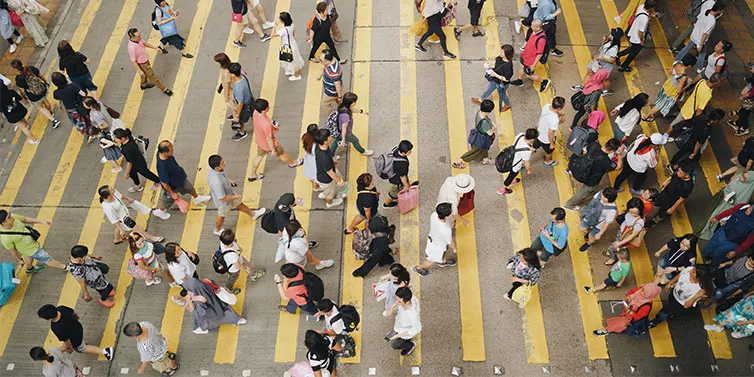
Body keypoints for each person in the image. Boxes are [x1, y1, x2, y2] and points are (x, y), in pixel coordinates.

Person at [207, 154, 266, 236]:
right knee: (222, 215)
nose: (225, 163)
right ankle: (217, 229)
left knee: (239, 204)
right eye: (222, 163)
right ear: (217, 168)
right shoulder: (216, 182)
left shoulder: (214, 169)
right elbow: (222, 198)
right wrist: (236, 196)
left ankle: (253, 214)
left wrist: (229, 181)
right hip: (224, 202)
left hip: (229, 194)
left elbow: (222, 176)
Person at [154, 140, 212, 219]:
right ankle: (160, 211)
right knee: (167, 201)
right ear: (164, 153)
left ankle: (197, 198)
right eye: (171, 150)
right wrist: (172, 193)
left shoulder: (162, 153)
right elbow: (164, 182)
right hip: (172, 186)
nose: (173, 151)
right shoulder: (162, 166)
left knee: (189, 188)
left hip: (179, 178)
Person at [564, 139, 623, 211]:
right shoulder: (606, 161)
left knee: (589, 190)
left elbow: (585, 151)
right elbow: (618, 167)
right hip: (590, 180)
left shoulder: (594, 145)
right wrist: (619, 154)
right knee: (584, 192)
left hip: (578, 168)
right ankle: (569, 204)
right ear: (612, 151)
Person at [37, 304, 114, 360]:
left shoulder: (56, 327)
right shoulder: (61, 308)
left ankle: (105, 351)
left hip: (74, 338)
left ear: (49, 318)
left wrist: (69, 348)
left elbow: (66, 340)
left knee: (82, 348)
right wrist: (76, 317)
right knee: (81, 343)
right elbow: (72, 312)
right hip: (78, 328)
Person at [249, 98, 303, 176]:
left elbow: (265, 121)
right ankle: (292, 163)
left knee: (259, 157)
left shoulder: (256, 113)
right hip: (270, 144)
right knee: (281, 154)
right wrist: (273, 150)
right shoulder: (266, 125)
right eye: (268, 107)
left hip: (260, 141)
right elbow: (269, 139)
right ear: (264, 110)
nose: (269, 107)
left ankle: (252, 174)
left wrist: (272, 126)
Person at [0, 210, 65, 274]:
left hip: (30, 245)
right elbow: (13, 250)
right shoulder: (5, 238)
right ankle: (66, 267)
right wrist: (19, 260)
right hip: (32, 250)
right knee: (48, 259)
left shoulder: (13, 218)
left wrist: (42, 222)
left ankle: (30, 269)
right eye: (9, 217)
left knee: (28, 255)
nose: (12, 217)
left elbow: (25, 219)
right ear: (3, 223)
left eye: (10, 215)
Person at [592, 283, 662, 336]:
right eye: (643, 289)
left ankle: (607, 330)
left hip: (631, 316)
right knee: (621, 319)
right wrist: (628, 297)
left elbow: (638, 316)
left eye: (644, 292)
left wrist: (630, 311)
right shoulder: (641, 289)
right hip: (628, 310)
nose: (641, 292)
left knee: (621, 322)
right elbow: (631, 292)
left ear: (649, 295)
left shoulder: (646, 306)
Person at [674, 2, 724, 73]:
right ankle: (699, 67)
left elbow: (697, 20)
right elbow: (705, 34)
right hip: (700, 40)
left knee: (686, 48)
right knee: (702, 54)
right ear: (718, 10)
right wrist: (701, 44)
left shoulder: (705, 12)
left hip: (694, 35)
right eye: (721, 10)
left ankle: (677, 59)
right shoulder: (712, 21)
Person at [643, 55, 696, 122]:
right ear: (689, 66)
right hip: (671, 91)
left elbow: (670, 71)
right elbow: (678, 91)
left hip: (668, 84)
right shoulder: (683, 77)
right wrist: (687, 86)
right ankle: (647, 116)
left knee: (661, 100)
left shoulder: (677, 63)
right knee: (660, 105)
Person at [572, 28, 623, 95]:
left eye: (611, 34)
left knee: (604, 80)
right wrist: (605, 40)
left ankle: (609, 90)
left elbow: (612, 60)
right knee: (590, 73)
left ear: (614, 37)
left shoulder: (614, 48)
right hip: (598, 62)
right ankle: (583, 86)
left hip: (604, 67)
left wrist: (601, 58)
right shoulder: (610, 42)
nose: (610, 34)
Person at [10, 59, 59, 128]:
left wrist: (25, 98)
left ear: (15, 69)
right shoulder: (30, 68)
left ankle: (54, 120)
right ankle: (50, 112)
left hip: (33, 95)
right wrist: (45, 83)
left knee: (40, 107)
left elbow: (23, 90)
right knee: (45, 100)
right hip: (42, 88)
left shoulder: (19, 79)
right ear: (22, 63)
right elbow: (41, 76)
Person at [412, 203, 457, 276]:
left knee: (438, 256)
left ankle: (442, 261)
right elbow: (450, 242)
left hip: (432, 240)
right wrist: (455, 249)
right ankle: (418, 268)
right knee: (431, 260)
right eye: (451, 211)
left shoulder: (434, 215)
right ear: (446, 215)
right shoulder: (446, 230)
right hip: (438, 248)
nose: (452, 211)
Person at [127, 28, 173, 96]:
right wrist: (140, 71)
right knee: (152, 77)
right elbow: (133, 61)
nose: (140, 37)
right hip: (143, 64)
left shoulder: (138, 40)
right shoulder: (132, 47)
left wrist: (155, 48)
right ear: (133, 37)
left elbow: (144, 43)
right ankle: (164, 89)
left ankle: (144, 85)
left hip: (145, 61)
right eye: (138, 36)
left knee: (144, 75)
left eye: (140, 35)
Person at [645, 164, 695, 228]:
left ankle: (655, 221)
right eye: (678, 170)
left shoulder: (687, 186)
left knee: (663, 212)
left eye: (680, 172)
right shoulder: (678, 174)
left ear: (687, 175)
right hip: (665, 193)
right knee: (656, 203)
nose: (678, 173)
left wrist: (672, 208)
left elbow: (681, 198)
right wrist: (666, 181)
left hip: (671, 200)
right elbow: (673, 176)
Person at [113, 128, 161, 194]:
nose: (114, 139)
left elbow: (130, 163)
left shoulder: (126, 150)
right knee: (132, 173)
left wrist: (126, 173)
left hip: (138, 163)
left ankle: (158, 180)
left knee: (146, 173)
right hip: (138, 158)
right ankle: (137, 185)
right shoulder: (129, 137)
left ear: (123, 138)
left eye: (116, 138)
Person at [51, 72, 96, 141]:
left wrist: (60, 107)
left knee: (79, 123)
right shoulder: (73, 86)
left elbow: (58, 103)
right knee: (87, 117)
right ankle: (93, 128)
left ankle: (88, 134)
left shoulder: (56, 93)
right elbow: (83, 94)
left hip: (71, 110)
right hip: (80, 105)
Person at [452, 99, 496, 168]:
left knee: (484, 149)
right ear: (489, 111)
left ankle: (484, 159)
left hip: (480, 137)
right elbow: (490, 133)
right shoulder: (484, 123)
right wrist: (493, 128)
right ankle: (458, 161)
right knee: (474, 152)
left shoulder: (479, 113)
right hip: (481, 139)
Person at [84, 97, 124, 173]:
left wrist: (98, 128)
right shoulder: (99, 103)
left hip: (109, 128)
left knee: (117, 140)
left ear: (90, 106)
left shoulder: (94, 114)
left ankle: (119, 154)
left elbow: (105, 125)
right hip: (113, 122)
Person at [509, 19, 549, 92]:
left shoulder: (541, 40)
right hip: (525, 55)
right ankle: (519, 81)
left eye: (532, 26)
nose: (531, 27)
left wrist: (533, 65)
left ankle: (544, 81)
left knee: (529, 75)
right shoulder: (533, 32)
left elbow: (539, 54)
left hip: (530, 60)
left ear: (538, 28)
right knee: (521, 67)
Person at [471, 44, 514, 112]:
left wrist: (495, 75)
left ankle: (507, 105)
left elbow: (507, 79)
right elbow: (497, 61)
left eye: (502, 52)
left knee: (502, 95)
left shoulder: (508, 66)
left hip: (501, 84)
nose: (500, 53)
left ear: (507, 54)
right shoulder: (500, 57)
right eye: (501, 51)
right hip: (494, 80)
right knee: (488, 90)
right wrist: (489, 63)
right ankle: (481, 100)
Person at [616, 0, 655, 72]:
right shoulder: (644, 19)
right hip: (637, 38)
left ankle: (618, 55)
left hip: (633, 32)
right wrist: (642, 41)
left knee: (633, 48)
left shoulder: (641, 7)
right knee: (633, 52)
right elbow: (641, 32)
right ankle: (623, 66)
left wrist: (649, 15)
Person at [604, 197, 646, 265]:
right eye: (631, 211)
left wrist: (620, 243)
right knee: (615, 246)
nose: (632, 214)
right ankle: (613, 253)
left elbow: (633, 235)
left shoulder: (639, 222)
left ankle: (613, 258)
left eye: (635, 213)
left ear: (640, 211)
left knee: (615, 247)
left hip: (626, 237)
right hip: (622, 231)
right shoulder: (629, 212)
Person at [577, 188, 618, 252]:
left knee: (592, 236)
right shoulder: (600, 194)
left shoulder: (612, 211)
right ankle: (587, 232)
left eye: (605, 197)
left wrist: (600, 234)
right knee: (582, 228)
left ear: (610, 199)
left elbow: (607, 223)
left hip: (599, 224)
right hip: (590, 217)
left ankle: (588, 244)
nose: (602, 197)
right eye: (603, 195)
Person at [498, 128, 538, 195]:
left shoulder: (520, 135)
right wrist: (529, 170)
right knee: (511, 175)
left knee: (514, 174)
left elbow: (520, 145)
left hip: (511, 157)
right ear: (532, 139)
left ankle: (513, 181)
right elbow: (526, 162)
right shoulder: (527, 151)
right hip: (515, 164)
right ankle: (502, 189)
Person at [332, 92, 373, 156]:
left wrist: (362, 112)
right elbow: (344, 128)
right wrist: (343, 139)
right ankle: (362, 151)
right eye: (355, 101)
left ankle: (331, 155)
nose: (355, 102)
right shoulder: (345, 115)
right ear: (351, 103)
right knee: (355, 140)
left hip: (338, 130)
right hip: (346, 133)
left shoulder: (343, 106)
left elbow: (351, 110)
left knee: (335, 142)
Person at [314, 128, 345, 208]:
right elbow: (330, 173)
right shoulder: (324, 158)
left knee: (328, 190)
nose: (331, 137)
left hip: (322, 173)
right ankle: (330, 202)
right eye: (329, 136)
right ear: (325, 141)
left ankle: (325, 193)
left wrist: (332, 162)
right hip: (326, 179)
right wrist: (339, 181)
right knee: (330, 193)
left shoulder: (319, 146)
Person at [386, 287, 420, 356]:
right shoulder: (411, 298)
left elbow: (416, 329)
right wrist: (393, 308)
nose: (396, 302)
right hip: (400, 327)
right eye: (396, 299)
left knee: (394, 345)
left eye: (399, 301)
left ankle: (411, 345)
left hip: (404, 333)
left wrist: (397, 335)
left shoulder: (412, 315)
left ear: (407, 301)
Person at [272, 12, 304, 81]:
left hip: (288, 47)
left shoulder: (284, 30)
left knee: (292, 62)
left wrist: (275, 24)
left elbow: (272, 35)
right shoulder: (292, 25)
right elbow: (293, 34)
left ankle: (297, 75)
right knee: (291, 60)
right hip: (293, 44)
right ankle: (291, 71)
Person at [164, 242, 199, 306]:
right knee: (186, 291)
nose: (180, 251)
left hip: (191, 272)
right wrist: (190, 285)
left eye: (180, 249)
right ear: (172, 255)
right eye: (177, 252)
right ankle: (176, 298)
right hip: (186, 279)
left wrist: (190, 254)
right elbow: (184, 279)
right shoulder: (176, 267)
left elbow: (184, 254)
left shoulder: (180, 253)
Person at [533, 96, 564, 167]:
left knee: (534, 146)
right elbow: (551, 133)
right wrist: (551, 143)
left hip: (539, 133)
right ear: (559, 108)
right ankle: (547, 161)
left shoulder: (546, 106)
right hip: (546, 140)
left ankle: (524, 157)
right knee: (549, 151)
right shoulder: (554, 119)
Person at [382, 140, 413, 208]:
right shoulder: (402, 164)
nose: (410, 152)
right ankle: (386, 204)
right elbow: (402, 177)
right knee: (392, 194)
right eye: (409, 151)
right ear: (403, 152)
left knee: (399, 188)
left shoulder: (396, 150)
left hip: (393, 173)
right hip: (396, 181)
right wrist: (406, 186)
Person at [228, 62, 253, 141]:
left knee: (241, 120)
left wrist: (237, 116)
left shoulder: (239, 88)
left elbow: (240, 103)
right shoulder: (242, 76)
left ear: (233, 75)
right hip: (250, 99)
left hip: (245, 106)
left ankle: (242, 133)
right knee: (254, 112)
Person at [318, 49, 343, 115]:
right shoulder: (333, 59)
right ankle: (344, 107)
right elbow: (324, 65)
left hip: (331, 91)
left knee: (325, 104)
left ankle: (333, 116)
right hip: (332, 88)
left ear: (328, 61)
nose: (319, 61)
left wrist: (340, 96)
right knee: (338, 101)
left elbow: (337, 85)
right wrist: (320, 75)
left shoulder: (333, 72)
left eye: (321, 60)